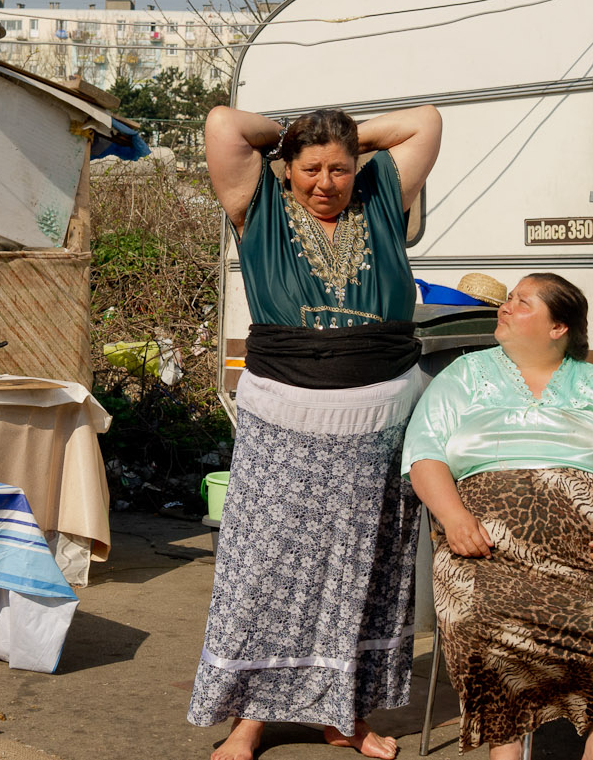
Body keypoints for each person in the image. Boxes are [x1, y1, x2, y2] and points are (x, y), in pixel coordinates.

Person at [188, 103, 442, 760]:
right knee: (265, 568)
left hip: (379, 422)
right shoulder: (258, 201)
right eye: (310, 168)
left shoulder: (382, 194)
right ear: (286, 168)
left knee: (364, 567)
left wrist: (347, 134)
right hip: (285, 418)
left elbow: (426, 121)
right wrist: (298, 129)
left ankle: (342, 714)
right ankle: (249, 721)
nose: (326, 181)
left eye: (339, 167)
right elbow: (223, 123)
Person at [403, 273, 593, 760]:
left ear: (558, 328)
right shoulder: (464, 375)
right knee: (477, 616)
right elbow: (424, 453)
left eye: (522, 303)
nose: (505, 307)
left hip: (592, 556)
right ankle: (505, 751)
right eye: (508, 299)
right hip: (489, 547)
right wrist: (454, 517)